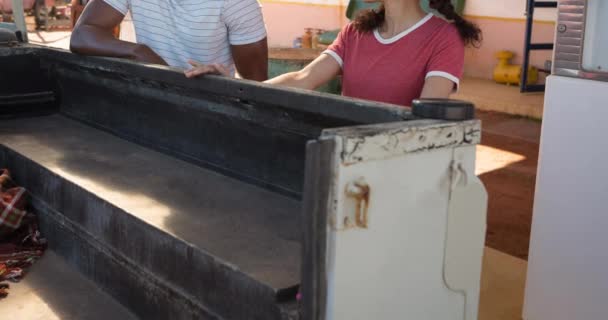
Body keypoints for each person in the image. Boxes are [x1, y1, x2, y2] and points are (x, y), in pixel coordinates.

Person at [185, 0, 481, 106]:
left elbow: (426, 115)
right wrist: (237, 86)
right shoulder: (356, 32)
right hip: (347, 159)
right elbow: (304, 78)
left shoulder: (444, 38)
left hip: (396, 164)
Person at [70, 0, 269, 81]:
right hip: (154, 98)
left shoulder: (238, 3)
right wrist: (139, 51)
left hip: (212, 109)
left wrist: (224, 83)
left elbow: (258, 87)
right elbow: (82, 34)